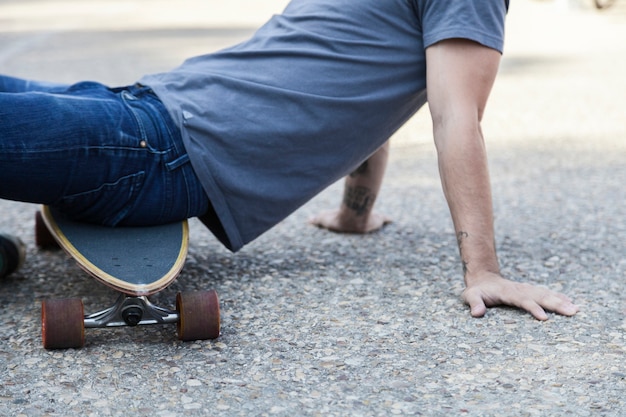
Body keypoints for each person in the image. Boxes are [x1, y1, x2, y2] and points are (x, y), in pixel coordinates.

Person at [0, 0, 579, 319]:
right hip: (134, 105)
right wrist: (356, 213)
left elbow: (456, 117)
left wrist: (483, 270)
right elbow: (359, 93)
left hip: (156, 154)